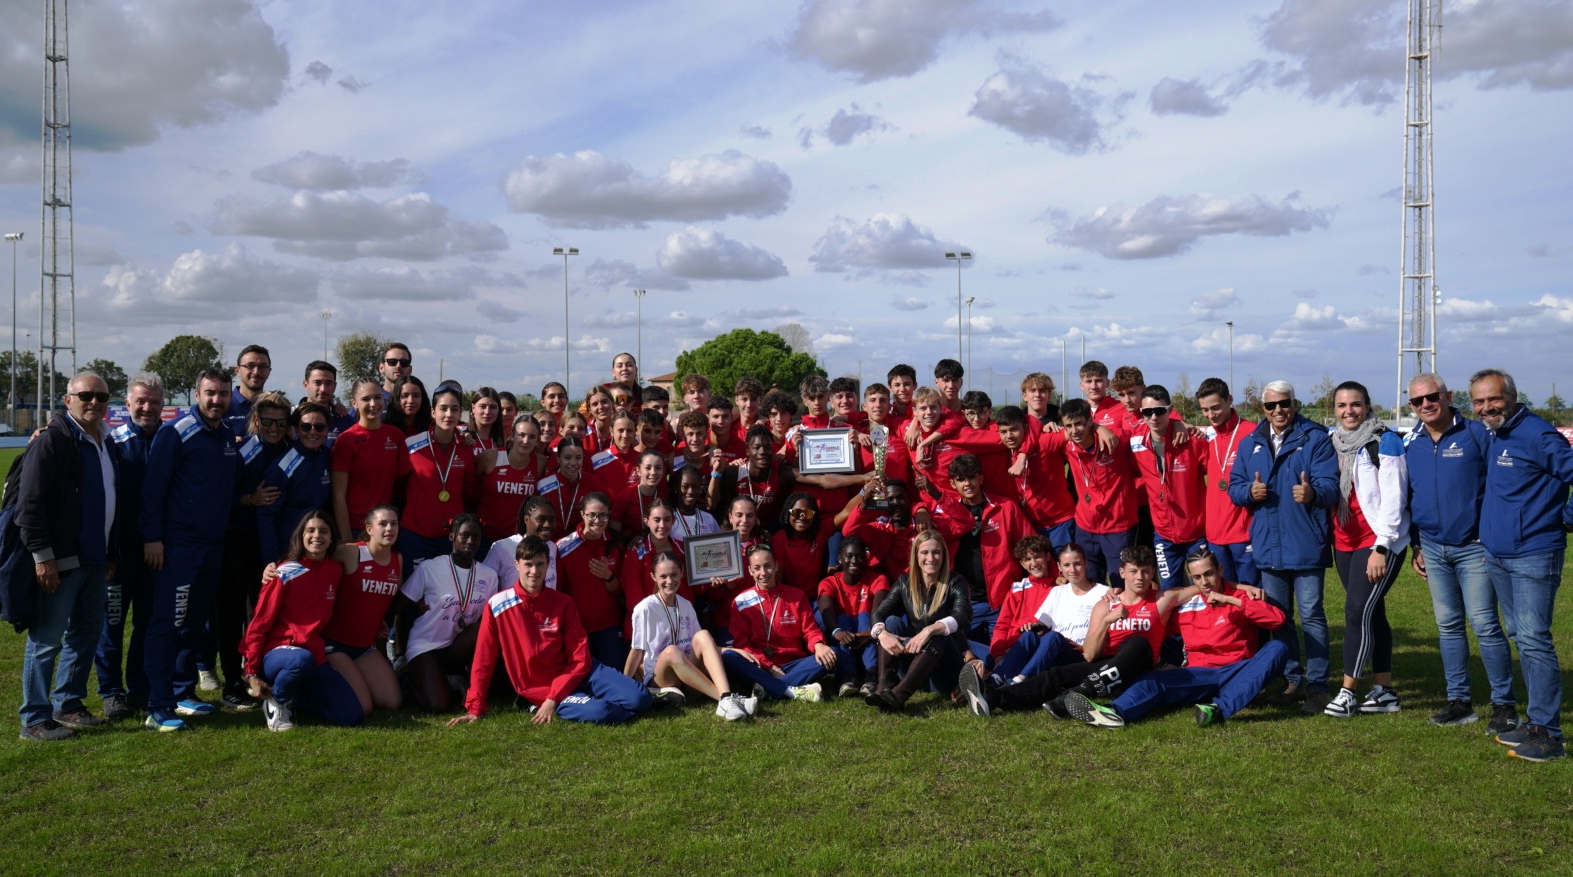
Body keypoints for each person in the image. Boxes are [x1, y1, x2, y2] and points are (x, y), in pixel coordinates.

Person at [1059, 548, 1288, 729]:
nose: (1205, 582)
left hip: (1237, 669)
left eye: (1208, 573)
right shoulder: (1188, 605)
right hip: (1197, 674)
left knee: (1277, 647)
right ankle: (1114, 713)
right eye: (1197, 577)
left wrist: (1233, 600)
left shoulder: (1240, 596)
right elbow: (1154, 630)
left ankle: (1218, 710)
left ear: (1220, 570)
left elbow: (1277, 620)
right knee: (1152, 680)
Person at [1403, 372, 1518, 732]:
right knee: (1448, 625)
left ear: (1448, 395)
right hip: (1434, 548)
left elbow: (1501, 484)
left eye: (1431, 396)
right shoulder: (1412, 443)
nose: (1425, 404)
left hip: (1473, 549)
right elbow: (1412, 497)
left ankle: (1504, 705)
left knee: (1484, 625)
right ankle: (1460, 702)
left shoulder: (1477, 434)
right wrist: (1418, 544)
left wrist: (1490, 532)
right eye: (1417, 401)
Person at [1471, 368, 1573, 762]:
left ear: (1511, 396)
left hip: (1533, 554)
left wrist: (1567, 517)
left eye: (1493, 399)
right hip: (1499, 556)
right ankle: (1534, 722)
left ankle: (1548, 734)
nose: (1486, 407)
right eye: (1478, 401)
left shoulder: (1536, 434)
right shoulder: (1499, 435)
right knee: (1521, 638)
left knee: (1533, 640)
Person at [449, 536, 652, 726]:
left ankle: (593, 700)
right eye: (528, 565)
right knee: (602, 712)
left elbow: (580, 657)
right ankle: (567, 702)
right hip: (543, 686)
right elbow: (483, 660)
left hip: (582, 672)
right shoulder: (497, 606)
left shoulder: (563, 603)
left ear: (548, 566)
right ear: (517, 565)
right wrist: (475, 708)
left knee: (640, 698)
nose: (534, 572)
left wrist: (556, 696)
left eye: (540, 564)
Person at [16, 373, 119, 741]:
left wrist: (111, 552)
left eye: (102, 396)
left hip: (96, 559)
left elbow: (109, 501)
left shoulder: (107, 441)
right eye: (86, 395)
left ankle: (69, 704)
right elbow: (29, 506)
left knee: (86, 634)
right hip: (60, 561)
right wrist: (42, 558)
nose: (94, 402)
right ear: (68, 399)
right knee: (46, 640)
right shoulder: (52, 441)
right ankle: (34, 718)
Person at [1227, 379, 1339, 716]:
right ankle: (1293, 680)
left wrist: (1313, 493)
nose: (1279, 410)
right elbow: (1234, 487)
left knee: (1313, 617)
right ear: (1262, 408)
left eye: (1285, 403)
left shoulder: (1316, 438)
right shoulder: (1251, 443)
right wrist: (1250, 492)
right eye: (1271, 405)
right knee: (1279, 619)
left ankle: (1318, 687)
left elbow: (1332, 487)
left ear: (1295, 403)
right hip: (1268, 546)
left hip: (1305, 543)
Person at [141, 368, 241, 732]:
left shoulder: (227, 434)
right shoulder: (176, 433)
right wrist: (153, 538)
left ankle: (183, 692)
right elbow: (152, 490)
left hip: (212, 547)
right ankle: (158, 705)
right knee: (169, 623)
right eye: (211, 393)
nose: (217, 400)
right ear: (196, 394)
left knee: (194, 624)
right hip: (179, 547)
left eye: (224, 393)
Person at [989, 546, 1170, 716]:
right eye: (1133, 572)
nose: (1139, 577)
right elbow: (1088, 652)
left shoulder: (1115, 595)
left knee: (1137, 643)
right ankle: (995, 695)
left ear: (1086, 564)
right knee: (1054, 674)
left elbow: (1194, 588)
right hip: (1095, 660)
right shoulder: (1098, 602)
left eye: (1145, 572)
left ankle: (1069, 694)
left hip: (1120, 662)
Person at [1322, 381, 1411, 718]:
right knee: (1373, 613)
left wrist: (1382, 547)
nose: (1349, 412)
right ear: (1334, 409)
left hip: (1376, 543)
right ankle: (1385, 692)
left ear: (1368, 405)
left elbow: (1394, 499)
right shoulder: (1332, 442)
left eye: (1355, 405)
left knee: (1356, 611)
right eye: (1342, 406)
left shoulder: (1383, 441)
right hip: (1343, 541)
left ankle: (1347, 693)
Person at [240, 512, 363, 731]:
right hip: (278, 653)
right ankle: (276, 701)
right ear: (301, 536)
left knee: (350, 715)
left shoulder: (334, 570)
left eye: (324, 531)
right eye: (311, 530)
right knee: (299, 660)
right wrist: (251, 673)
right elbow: (258, 624)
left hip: (313, 653)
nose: (317, 536)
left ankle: (295, 698)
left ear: (332, 538)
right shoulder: (283, 572)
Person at [213, 390, 290, 710]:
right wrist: (249, 500)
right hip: (238, 543)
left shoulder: (291, 450)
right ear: (256, 420)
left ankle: (260, 675)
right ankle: (232, 682)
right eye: (268, 421)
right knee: (233, 616)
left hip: (275, 546)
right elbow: (218, 497)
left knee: (267, 616)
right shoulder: (242, 453)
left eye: (281, 422)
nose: (274, 428)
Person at [95, 373, 163, 722]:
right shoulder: (112, 443)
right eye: (141, 401)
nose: (147, 407)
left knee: (146, 625)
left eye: (154, 401)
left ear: (163, 405)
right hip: (117, 557)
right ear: (128, 404)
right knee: (111, 625)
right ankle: (111, 692)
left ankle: (138, 688)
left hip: (155, 555)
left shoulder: (170, 440)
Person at [919, 454, 1033, 649]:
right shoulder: (947, 512)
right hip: (964, 603)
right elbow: (917, 505)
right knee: (955, 652)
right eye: (961, 479)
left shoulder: (1005, 507)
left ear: (981, 478)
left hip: (1002, 600)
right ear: (953, 484)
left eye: (972, 477)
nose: (968, 484)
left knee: (1005, 652)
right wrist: (920, 508)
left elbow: (1030, 546)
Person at [624, 551, 752, 720]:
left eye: (674, 575)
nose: (669, 581)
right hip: (663, 680)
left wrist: (733, 651)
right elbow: (636, 652)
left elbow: (701, 646)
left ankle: (726, 697)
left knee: (704, 634)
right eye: (663, 576)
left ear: (682, 573)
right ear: (653, 577)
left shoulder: (685, 605)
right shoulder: (644, 608)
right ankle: (727, 699)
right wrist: (624, 687)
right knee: (671, 651)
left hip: (689, 677)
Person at [394, 515, 499, 712]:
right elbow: (399, 606)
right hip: (426, 645)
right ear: (452, 536)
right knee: (438, 705)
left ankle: (456, 674)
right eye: (464, 535)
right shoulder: (430, 568)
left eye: (476, 537)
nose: (470, 541)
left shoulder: (489, 575)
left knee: (483, 629)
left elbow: (488, 619)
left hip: (456, 646)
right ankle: (409, 676)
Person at [721, 543, 848, 702]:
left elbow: (810, 630)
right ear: (750, 571)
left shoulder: (796, 595)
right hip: (760, 666)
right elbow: (742, 643)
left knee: (832, 653)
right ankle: (789, 689)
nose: (763, 573)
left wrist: (818, 645)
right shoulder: (740, 601)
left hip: (793, 663)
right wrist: (770, 666)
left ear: (775, 566)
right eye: (757, 568)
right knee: (728, 657)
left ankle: (766, 689)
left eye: (767, 566)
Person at [867, 533, 976, 712]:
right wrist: (882, 633)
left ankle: (899, 695)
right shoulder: (904, 582)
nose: (930, 558)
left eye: (936, 552)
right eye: (924, 552)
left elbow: (964, 615)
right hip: (913, 666)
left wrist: (930, 629)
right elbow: (879, 613)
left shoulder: (956, 582)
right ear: (916, 556)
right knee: (891, 622)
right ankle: (884, 688)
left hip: (944, 671)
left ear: (944, 555)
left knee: (940, 635)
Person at [319, 505, 404, 716]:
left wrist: (378, 620)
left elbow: (380, 599)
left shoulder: (398, 560)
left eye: (393, 524)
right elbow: (313, 558)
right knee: (363, 707)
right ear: (369, 529)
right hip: (334, 643)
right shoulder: (351, 551)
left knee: (392, 702)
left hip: (365, 647)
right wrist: (277, 567)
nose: (389, 529)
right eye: (382, 524)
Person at [1128, 385, 1209, 591]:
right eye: (1147, 412)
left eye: (1159, 410)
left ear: (1170, 409)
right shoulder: (1136, 441)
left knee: (1205, 588)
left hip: (1196, 531)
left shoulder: (1192, 440)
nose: (1153, 417)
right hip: (1163, 533)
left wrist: (1181, 424)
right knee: (1169, 590)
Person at [397, 383, 479, 577]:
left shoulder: (467, 448)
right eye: (443, 408)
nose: (449, 414)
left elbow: (469, 492)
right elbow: (398, 486)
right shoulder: (412, 445)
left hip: (450, 537)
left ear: (461, 414)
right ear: (433, 412)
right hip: (415, 535)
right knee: (414, 596)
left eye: (454, 409)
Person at [1060, 398, 1138, 586]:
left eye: (1079, 423)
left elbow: (1146, 429)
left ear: (1089, 421)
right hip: (1086, 526)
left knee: (1121, 583)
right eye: (1068, 426)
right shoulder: (1066, 445)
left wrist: (1179, 424)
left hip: (1117, 525)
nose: (1074, 430)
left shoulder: (1114, 440)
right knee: (1089, 582)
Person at [555, 493, 628, 670]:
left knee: (613, 675)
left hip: (609, 625)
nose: (597, 520)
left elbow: (620, 590)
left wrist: (607, 576)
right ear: (582, 515)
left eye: (603, 515)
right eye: (592, 515)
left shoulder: (617, 544)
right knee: (582, 677)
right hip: (577, 627)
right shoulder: (563, 547)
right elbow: (557, 592)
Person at [1196, 378, 1257, 586]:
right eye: (1205, 410)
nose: (1210, 415)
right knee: (1223, 596)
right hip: (1215, 534)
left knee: (1252, 594)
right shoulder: (1205, 437)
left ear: (1229, 400)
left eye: (1215, 407)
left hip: (1245, 532)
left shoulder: (1252, 433)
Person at [331, 378, 407, 544]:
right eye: (366, 399)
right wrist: (347, 539)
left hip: (386, 528)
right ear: (354, 403)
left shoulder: (395, 436)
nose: (373, 404)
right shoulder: (346, 440)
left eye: (378, 397)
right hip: (356, 528)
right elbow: (338, 496)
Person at [258, 402, 334, 565]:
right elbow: (266, 517)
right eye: (306, 427)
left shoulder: (329, 456)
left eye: (319, 427)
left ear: (327, 429)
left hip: (319, 548)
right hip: (289, 551)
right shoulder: (282, 467)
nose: (313, 432)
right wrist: (272, 560)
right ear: (297, 430)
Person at [816, 537, 891, 696]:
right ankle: (847, 677)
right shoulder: (829, 582)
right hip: (845, 638)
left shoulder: (878, 579)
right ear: (839, 559)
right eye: (849, 556)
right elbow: (825, 609)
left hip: (869, 637)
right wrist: (837, 631)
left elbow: (878, 612)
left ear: (866, 558)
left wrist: (867, 634)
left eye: (859, 556)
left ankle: (871, 676)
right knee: (842, 619)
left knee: (865, 616)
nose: (854, 560)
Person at [995, 406, 1075, 551]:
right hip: (1029, 525)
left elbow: (1075, 431)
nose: (1009, 436)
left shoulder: (1044, 442)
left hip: (1060, 523)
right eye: (1003, 432)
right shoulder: (1004, 451)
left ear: (1025, 428)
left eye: (1014, 429)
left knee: (1066, 571)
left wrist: (1098, 427)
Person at [475, 413, 549, 545]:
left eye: (532, 437)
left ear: (537, 440)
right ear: (512, 435)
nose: (526, 441)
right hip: (484, 536)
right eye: (521, 435)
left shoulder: (539, 462)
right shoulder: (490, 457)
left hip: (517, 540)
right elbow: (471, 489)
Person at [482, 495, 558, 591]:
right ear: (526, 520)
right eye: (541, 519)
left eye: (551, 520)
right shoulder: (502, 547)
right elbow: (485, 583)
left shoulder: (553, 548)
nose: (547, 525)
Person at [771, 492, 830, 591]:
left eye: (807, 513)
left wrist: (863, 492)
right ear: (788, 514)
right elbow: (778, 579)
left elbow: (846, 513)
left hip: (814, 597)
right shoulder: (780, 538)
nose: (802, 517)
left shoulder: (820, 532)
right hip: (790, 596)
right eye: (796, 512)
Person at [539, 436, 590, 536]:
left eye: (578, 458)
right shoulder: (542, 486)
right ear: (558, 458)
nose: (573, 463)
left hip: (579, 543)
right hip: (549, 542)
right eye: (567, 458)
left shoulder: (593, 483)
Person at [299, 360, 357, 447]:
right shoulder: (291, 418)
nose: (323, 389)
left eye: (328, 383)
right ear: (305, 384)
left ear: (335, 386)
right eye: (317, 383)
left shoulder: (346, 421)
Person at [224, 344, 271, 436]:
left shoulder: (275, 407)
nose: (256, 372)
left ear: (269, 372)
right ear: (237, 370)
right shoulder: (223, 405)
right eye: (250, 366)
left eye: (262, 367)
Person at [378, 343, 413, 412]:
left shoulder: (417, 402)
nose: (398, 366)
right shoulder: (371, 400)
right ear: (381, 367)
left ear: (410, 369)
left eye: (404, 362)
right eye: (392, 362)